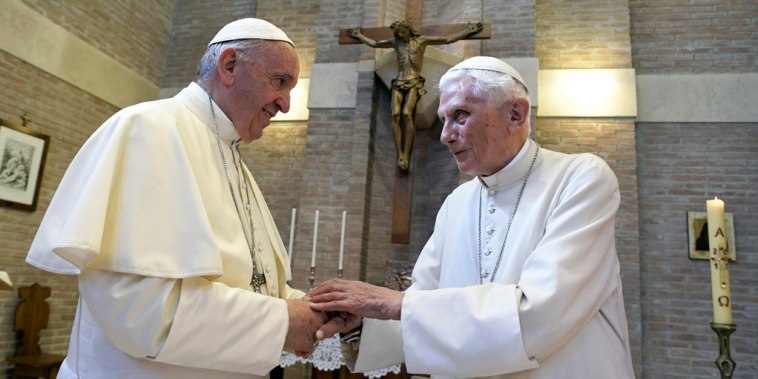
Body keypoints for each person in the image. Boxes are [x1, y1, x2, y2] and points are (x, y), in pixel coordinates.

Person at [26, 18, 333, 379]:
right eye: (280, 82)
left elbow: (252, 285)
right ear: (230, 65)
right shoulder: (149, 129)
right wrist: (283, 321)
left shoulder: (235, 161)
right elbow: (140, 311)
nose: (285, 103)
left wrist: (313, 307)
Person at [309, 57, 635, 378]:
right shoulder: (458, 202)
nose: (445, 135)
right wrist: (362, 324)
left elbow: (541, 315)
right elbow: (422, 305)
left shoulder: (580, 178)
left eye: (460, 115)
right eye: (443, 119)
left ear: (515, 114)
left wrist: (393, 303)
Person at [347, 20, 483, 173]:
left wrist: (467, 31)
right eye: (397, 33)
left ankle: (406, 153)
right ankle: (401, 154)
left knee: (406, 114)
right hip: (398, 82)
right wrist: (359, 35)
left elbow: (447, 39)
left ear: (407, 30)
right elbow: (375, 44)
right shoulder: (395, 43)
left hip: (414, 82)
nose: (399, 35)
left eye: (401, 31)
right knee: (396, 114)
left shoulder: (421, 42)